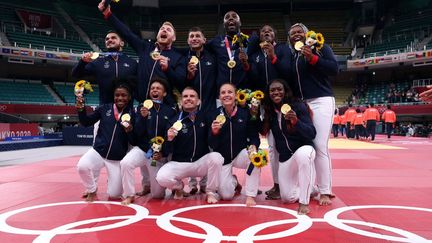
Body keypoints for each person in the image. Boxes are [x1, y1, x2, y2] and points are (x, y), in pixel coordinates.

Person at [287, 23, 338, 205]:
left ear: (307, 33)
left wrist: (313, 58)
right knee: (305, 145)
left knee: (319, 145)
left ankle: (325, 190)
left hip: (321, 100)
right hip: (301, 104)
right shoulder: (293, 56)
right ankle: (312, 187)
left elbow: (334, 69)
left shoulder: (321, 48)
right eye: (292, 33)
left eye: (299, 31)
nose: (296, 35)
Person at [98, 0, 186, 105]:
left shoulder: (178, 57)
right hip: (142, 106)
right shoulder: (145, 47)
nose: (164, 30)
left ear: (174, 38)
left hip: (164, 107)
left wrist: (168, 69)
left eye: (168, 30)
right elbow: (127, 33)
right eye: (162, 29)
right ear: (157, 35)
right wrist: (108, 14)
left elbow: (181, 82)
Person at [156, 87, 224, 204]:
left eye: (192, 96)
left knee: (217, 157)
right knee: (161, 177)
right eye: (185, 96)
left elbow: (213, 144)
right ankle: (179, 187)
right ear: (181, 102)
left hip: (200, 163)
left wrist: (215, 133)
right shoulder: (173, 121)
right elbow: (167, 151)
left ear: (198, 101)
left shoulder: (206, 118)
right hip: (180, 164)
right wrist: (170, 139)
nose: (188, 99)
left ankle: (211, 192)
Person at [261, 79, 317, 214]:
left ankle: (304, 201)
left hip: (302, 149)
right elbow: (262, 131)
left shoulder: (298, 106)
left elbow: (312, 133)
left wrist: (296, 121)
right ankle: (311, 189)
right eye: (272, 90)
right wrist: (254, 114)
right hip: (286, 157)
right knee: (287, 197)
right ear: (268, 94)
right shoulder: (271, 112)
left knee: (305, 154)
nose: (276, 92)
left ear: (285, 91)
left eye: (279, 89)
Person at [120, 78, 176, 205]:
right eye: (152, 88)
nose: (154, 90)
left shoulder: (170, 111)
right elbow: (137, 134)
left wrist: (163, 153)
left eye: (158, 88)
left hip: (157, 154)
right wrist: (143, 118)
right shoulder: (141, 108)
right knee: (125, 163)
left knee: (158, 195)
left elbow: (170, 137)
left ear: (164, 93)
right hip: (142, 149)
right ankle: (129, 194)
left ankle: (158, 187)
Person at [76, 82, 135, 202]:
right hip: (99, 151)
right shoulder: (104, 108)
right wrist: (81, 109)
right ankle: (92, 189)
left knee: (114, 194)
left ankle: (112, 180)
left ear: (129, 97)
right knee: (82, 166)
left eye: (124, 95)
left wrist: (130, 131)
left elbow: (134, 140)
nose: (120, 98)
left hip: (116, 158)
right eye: (117, 95)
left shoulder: (133, 113)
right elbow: (86, 122)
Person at [209, 83, 261, 206]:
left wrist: (254, 146)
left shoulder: (245, 113)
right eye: (223, 93)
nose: (226, 95)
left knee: (255, 157)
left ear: (236, 95)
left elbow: (254, 135)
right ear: (219, 97)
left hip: (240, 153)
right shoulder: (212, 114)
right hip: (224, 158)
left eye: (230, 92)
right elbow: (211, 143)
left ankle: (250, 194)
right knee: (226, 196)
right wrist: (214, 133)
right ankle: (234, 181)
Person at [72, 30, 137, 105]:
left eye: (113, 38)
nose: (109, 40)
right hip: (105, 109)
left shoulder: (132, 63)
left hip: (127, 111)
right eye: (107, 39)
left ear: (122, 43)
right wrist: (83, 62)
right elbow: (75, 74)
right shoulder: (99, 62)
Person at [207, 11, 258, 89]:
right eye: (227, 17)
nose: (231, 18)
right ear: (224, 25)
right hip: (223, 94)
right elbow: (200, 48)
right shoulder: (216, 41)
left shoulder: (251, 40)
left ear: (240, 23)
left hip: (244, 94)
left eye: (234, 17)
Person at [248, 24, 289, 91]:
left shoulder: (284, 48)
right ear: (259, 36)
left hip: (279, 93)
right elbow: (253, 78)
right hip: (261, 94)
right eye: (263, 31)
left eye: (270, 30)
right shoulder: (255, 55)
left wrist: (273, 57)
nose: (266, 31)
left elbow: (287, 73)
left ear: (274, 35)